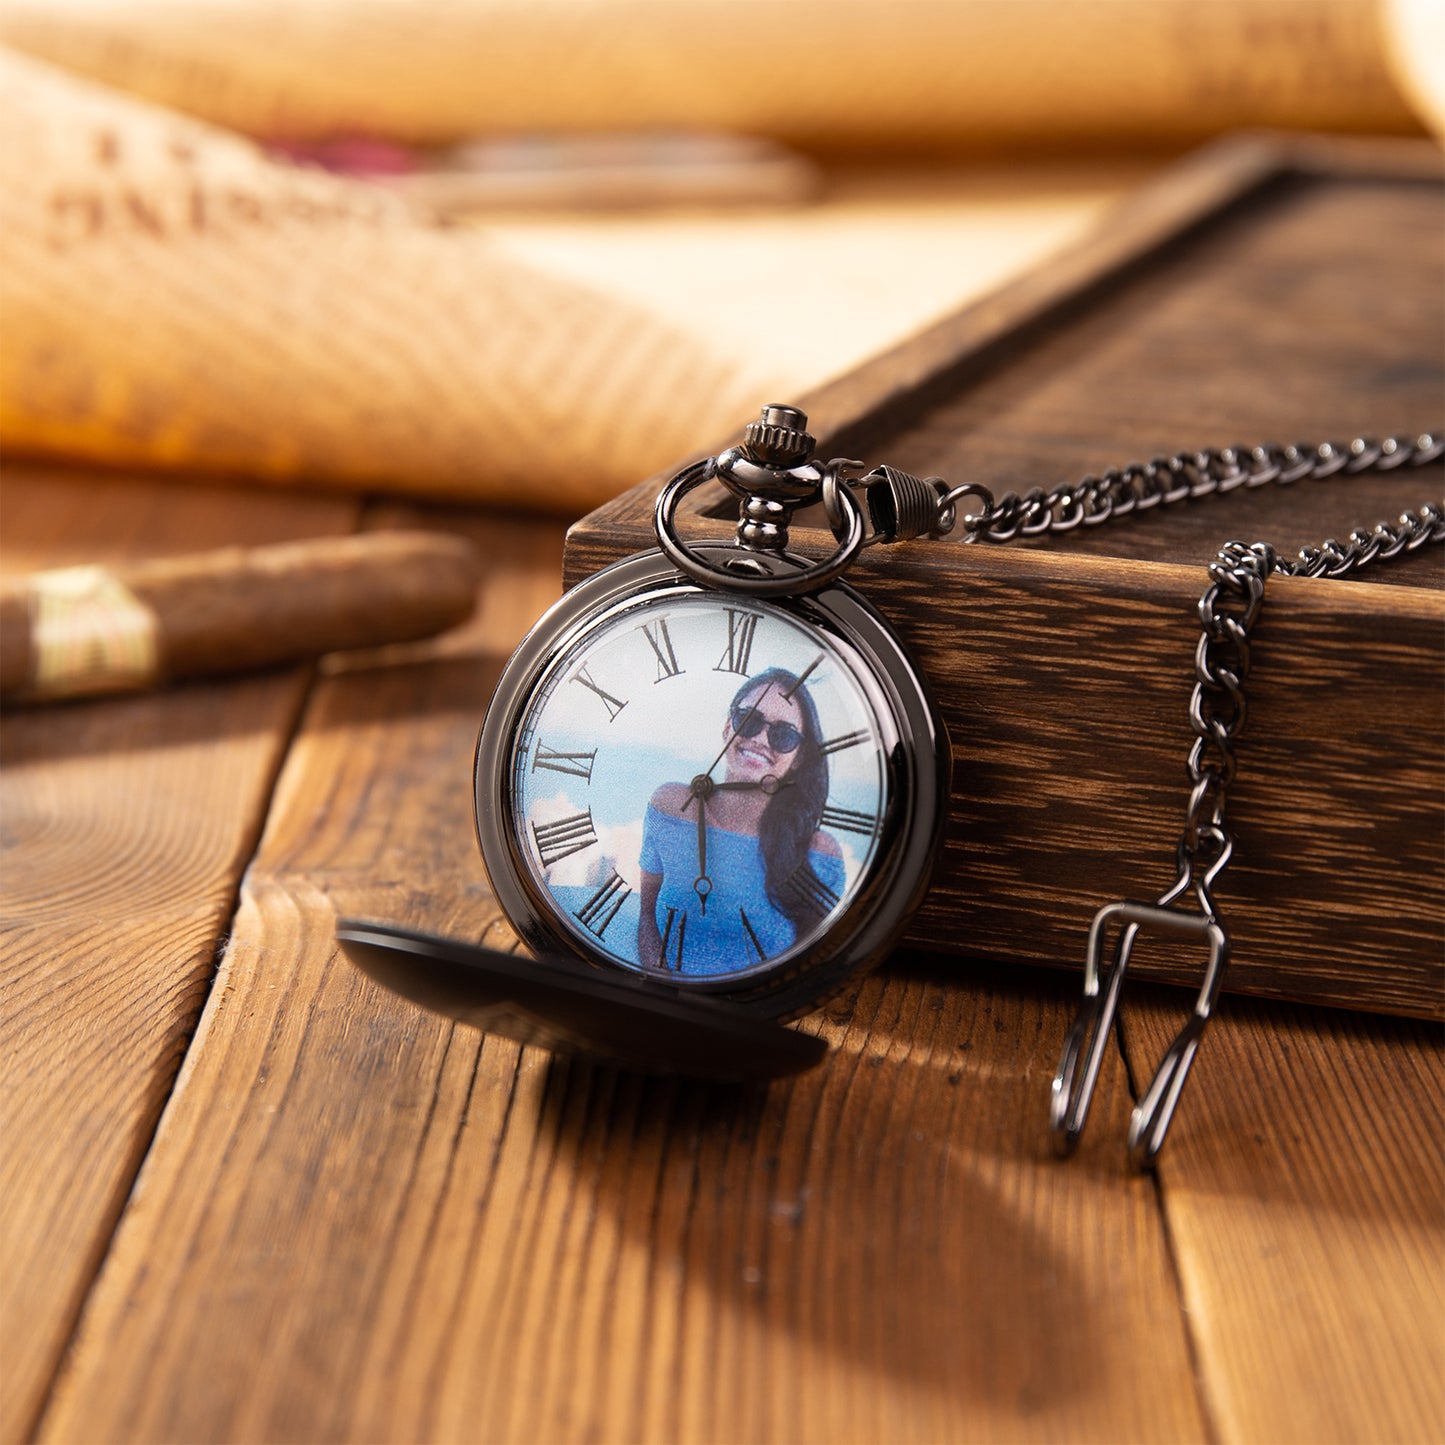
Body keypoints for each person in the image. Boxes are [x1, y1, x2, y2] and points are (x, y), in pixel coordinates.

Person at [637, 667, 845, 975]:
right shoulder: (670, 806)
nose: (761, 739)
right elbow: (647, 912)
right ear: (727, 728)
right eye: (749, 720)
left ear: (799, 757)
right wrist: (662, 984)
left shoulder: (820, 852)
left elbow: (815, 960)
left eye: (783, 734)